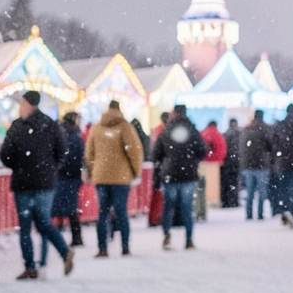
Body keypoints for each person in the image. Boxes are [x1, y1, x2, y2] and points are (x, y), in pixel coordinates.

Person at [0, 91, 75, 280]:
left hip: (23, 182)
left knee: (25, 227)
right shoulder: (50, 124)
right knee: (43, 222)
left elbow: (6, 154)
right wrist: (50, 169)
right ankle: (60, 252)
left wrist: (18, 165)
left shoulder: (18, 126)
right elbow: (62, 151)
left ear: (27, 104)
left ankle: (30, 266)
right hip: (45, 183)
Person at [85, 101, 144, 258]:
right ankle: (125, 247)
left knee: (102, 213)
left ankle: (102, 248)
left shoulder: (96, 128)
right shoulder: (125, 127)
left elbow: (89, 152)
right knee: (121, 212)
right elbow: (135, 151)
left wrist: (93, 170)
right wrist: (135, 171)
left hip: (101, 176)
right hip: (121, 177)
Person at [151, 105, 206, 250]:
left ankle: (166, 236)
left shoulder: (166, 131)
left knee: (168, 208)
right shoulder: (192, 130)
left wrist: (165, 164)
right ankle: (188, 240)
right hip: (188, 174)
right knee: (187, 209)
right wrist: (192, 161)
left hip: (169, 174)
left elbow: (156, 154)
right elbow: (202, 150)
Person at [51, 112, 85, 248]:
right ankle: (76, 237)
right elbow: (80, 155)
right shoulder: (75, 136)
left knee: (57, 208)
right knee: (71, 209)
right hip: (72, 176)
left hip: (58, 175)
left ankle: (56, 236)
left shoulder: (57, 133)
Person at [239, 110, 273, 220]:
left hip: (248, 165)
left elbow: (242, 147)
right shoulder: (265, 129)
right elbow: (270, 145)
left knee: (250, 192)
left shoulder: (246, 129)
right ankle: (260, 213)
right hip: (261, 165)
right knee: (262, 192)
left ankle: (249, 214)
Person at [199, 120, 227, 207]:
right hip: (216, 163)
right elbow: (221, 149)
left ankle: (204, 201)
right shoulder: (218, 134)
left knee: (204, 185)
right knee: (214, 186)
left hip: (203, 163)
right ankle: (214, 200)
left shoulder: (203, 133)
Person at [221, 118, 241, 208]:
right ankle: (234, 201)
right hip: (235, 163)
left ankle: (226, 202)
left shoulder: (225, 135)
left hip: (227, 163)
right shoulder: (239, 135)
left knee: (226, 183)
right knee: (234, 183)